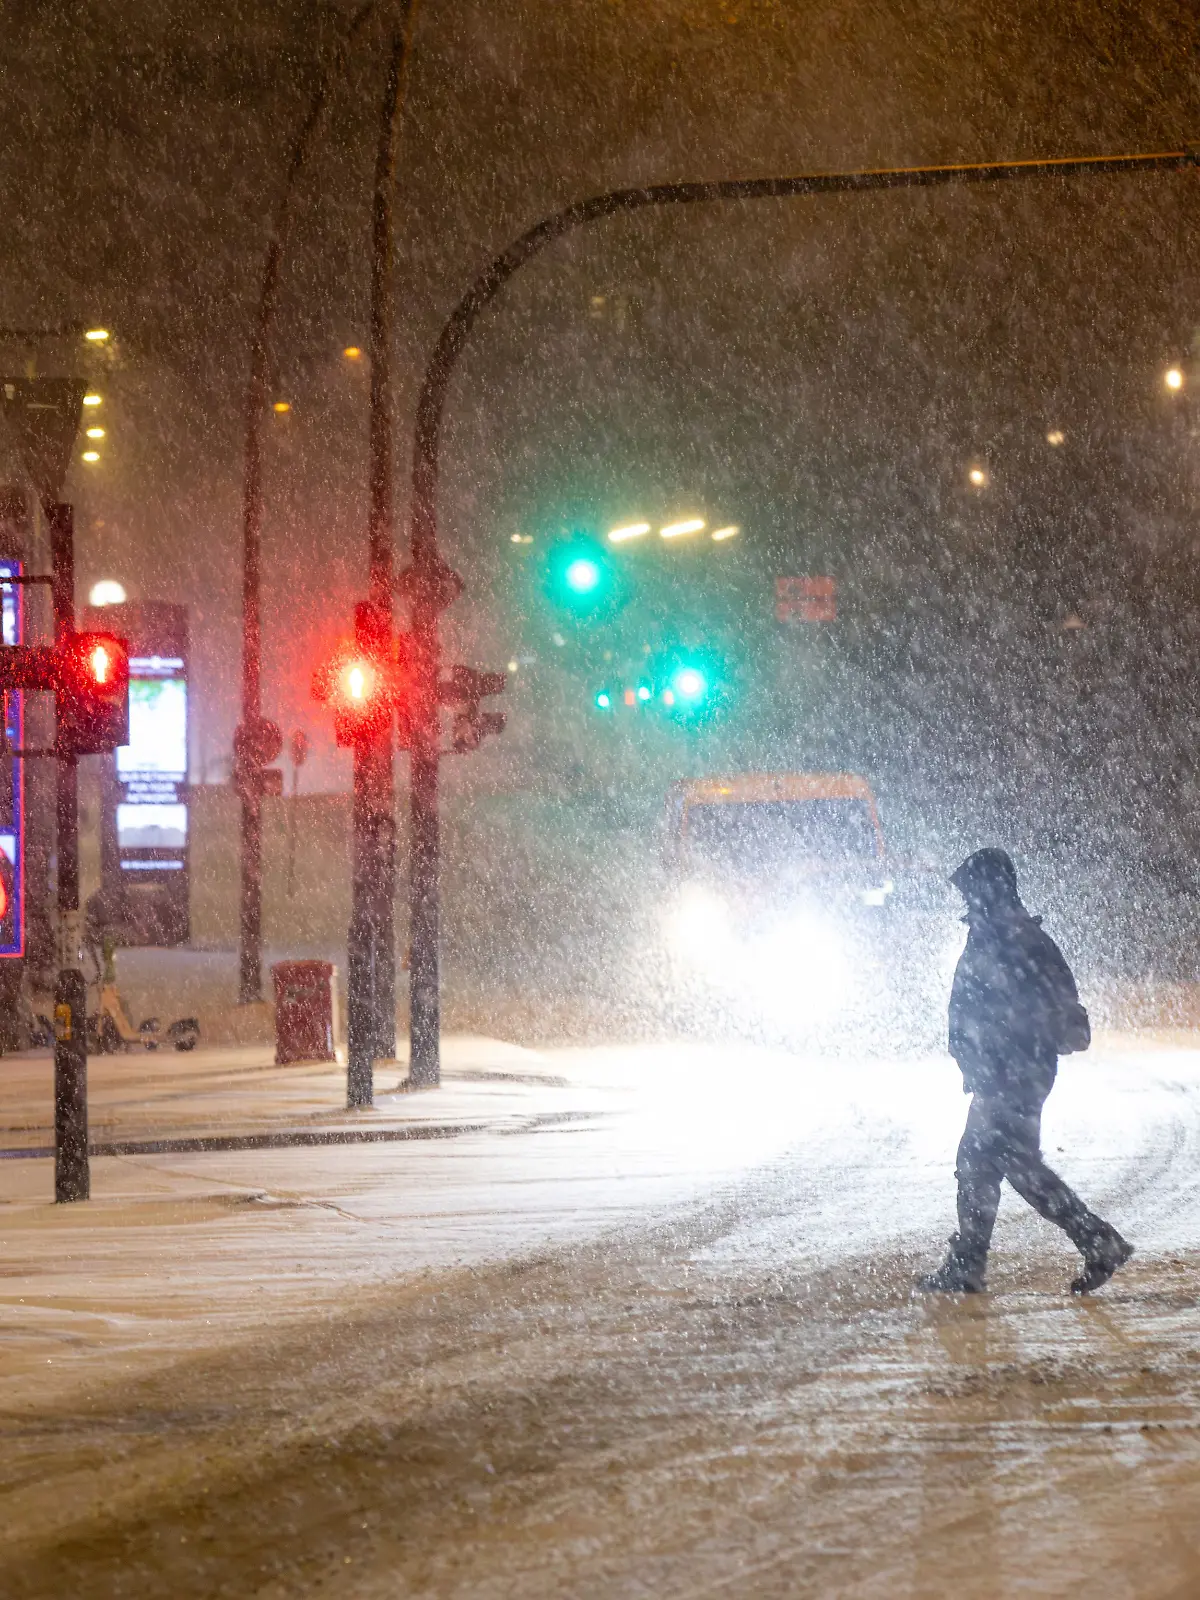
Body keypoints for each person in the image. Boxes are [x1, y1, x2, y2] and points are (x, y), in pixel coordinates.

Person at [921, 847, 1132, 1296]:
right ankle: (971, 1263)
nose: (966, 900)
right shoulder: (998, 933)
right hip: (1006, 1071)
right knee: (983, 1162)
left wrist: (1000, 1054)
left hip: (1013, 1073)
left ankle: (1096, 1241)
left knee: (1009, 1164)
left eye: (971, 890)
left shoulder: (1014, 938)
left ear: (988, 889)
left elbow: (1039, 1009)